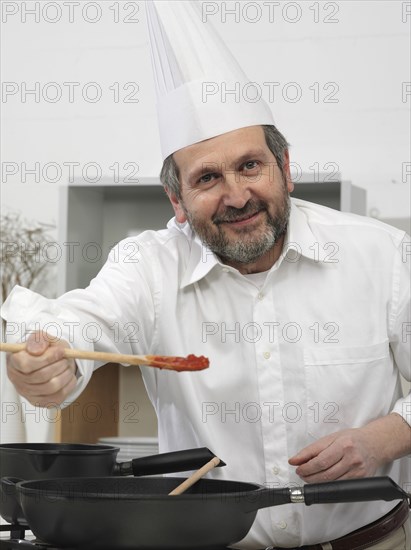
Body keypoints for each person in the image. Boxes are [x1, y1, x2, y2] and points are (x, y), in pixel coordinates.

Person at [2, 2, 410, 549]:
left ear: (286, 170)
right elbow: (76, 330)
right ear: (177, 199)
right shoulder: (145, 266)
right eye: (207, 178)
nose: (237, 195)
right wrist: (45, 364)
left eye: (250, 166)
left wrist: (385, 437)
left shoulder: (381, 255)